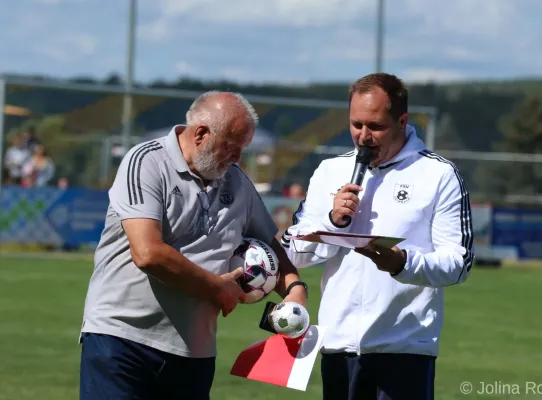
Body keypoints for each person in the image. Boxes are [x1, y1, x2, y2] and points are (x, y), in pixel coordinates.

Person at [79, 91, 309, 400]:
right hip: (122, 341)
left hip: (194, 353)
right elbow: (148, 254)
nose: (238, 158)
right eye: (232, 146)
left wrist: (295, 290)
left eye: (243, 148)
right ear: (200, 134)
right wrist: (216, 288)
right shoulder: (146, 161)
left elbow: (272, 246)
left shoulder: (237, 182)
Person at [281, 73, 474, 400]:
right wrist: (333, 222)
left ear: (402, 121)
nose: (363, 136)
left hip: (404, 350)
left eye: (376, 126)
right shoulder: (329, 170)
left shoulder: (438, 175)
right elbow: (294, 251)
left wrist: (403, 263)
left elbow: (459, 263)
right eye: (356, 124)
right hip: (337, 347)